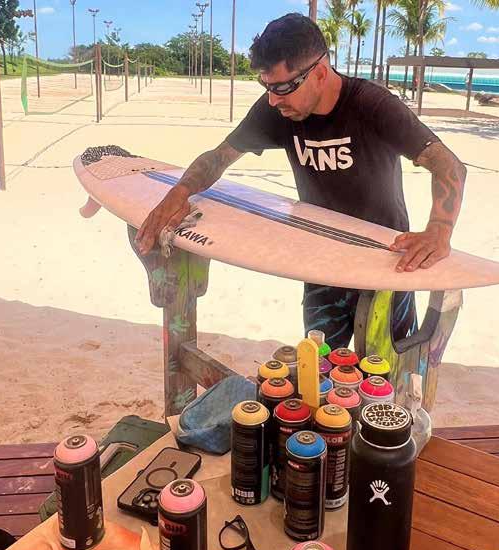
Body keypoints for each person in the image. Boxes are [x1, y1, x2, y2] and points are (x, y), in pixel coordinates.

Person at [137, 13, 466, 350]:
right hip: (320, 259)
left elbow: (450, 166)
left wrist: (439, 231)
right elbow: (219, 157)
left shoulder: (373, 105)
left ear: (319, 73)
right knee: (319, 366)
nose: (273, 100)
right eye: (266, 86)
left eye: (282, 88)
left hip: (386, 262)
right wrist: (180, 192)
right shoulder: (276, 110)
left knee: (386, 371)